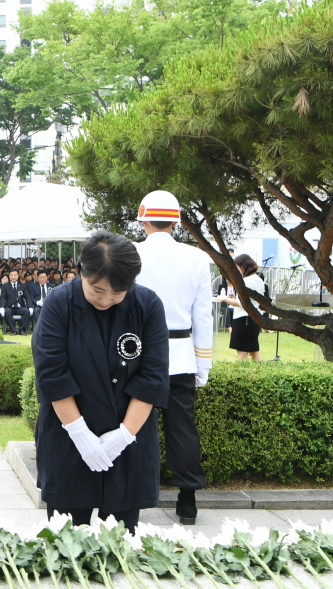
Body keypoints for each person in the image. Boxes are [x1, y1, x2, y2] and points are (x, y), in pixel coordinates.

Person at [31, 231, 169, 533]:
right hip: (68, 435)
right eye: (97, 290)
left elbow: (152, 376)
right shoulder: (59, 304)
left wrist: (123, 436)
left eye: (118, 293)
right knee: (67, 541)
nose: (107, 300)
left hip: (128, 436)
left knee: (121, 540)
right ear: (82, 271)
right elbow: (53, 373)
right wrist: (80, 434)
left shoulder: (147, 305)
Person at [134, 190, 214, 525]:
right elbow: (204, 315)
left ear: (143, 219)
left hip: (138, 355)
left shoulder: (131, 253)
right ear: (177, 222)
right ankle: (187, 502)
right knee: (183, 429)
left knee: (135, 427)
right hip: (181, 356)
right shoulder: (196, 258)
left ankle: (134, 497)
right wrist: (204, 363)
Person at [220, 254, 265, 362]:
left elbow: (241, 303)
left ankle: (242, 376)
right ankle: (261, 374)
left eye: (237, 268)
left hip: (243, 319)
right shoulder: (258, 279)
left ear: (243, 267)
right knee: (254, 350)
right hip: (254, 318)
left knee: (242, 351)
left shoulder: (246, 281)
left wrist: (224, 298)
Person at [1, 270, 31, 335]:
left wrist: (30, 307)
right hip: (10, 307)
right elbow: (3, 297)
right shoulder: (5, 286)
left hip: (20, 307)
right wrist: (2, 307)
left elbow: (27, 297)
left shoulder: (23, 285)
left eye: (15, 275)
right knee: (7, 312)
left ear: (18, 276)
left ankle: (22, 330)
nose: (13, 277)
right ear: (9, 276)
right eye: (11, 275)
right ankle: (13, 330)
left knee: (26, 311)